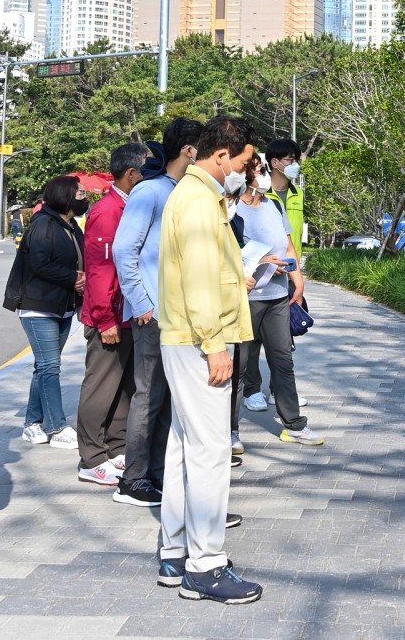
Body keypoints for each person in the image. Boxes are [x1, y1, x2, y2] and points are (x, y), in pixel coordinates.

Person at [155, 115, 262, 605]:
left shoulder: (195, 195)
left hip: (186, 337)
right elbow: (199, 279)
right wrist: (215, 343)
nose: (246, 171)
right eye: (244, 162)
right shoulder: (199, 200)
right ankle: (205, 566)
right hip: (200, 341)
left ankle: (176, 554)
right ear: (221, 156)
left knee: (185, 446)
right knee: (210, 453)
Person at [111, 118, 202, 508]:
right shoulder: (150, 191)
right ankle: (132, 480)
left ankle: (159, 472)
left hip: (178, 315)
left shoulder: (183, 192)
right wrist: (142, 303)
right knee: (148, 396)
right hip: (153, 315)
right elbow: (123, 251)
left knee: (168, 398)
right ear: (189, 150)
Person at [75, 143, 146, 486]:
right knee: (101, 387)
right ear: (131, 173)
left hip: (127, 313)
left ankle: (116, 447)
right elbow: (100, 270)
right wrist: (105, 319)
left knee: (123, 387)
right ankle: (91, 457)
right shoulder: (107, 211)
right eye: (145, 169)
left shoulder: (128, 207)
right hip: (109, 315)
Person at [236, 155, 318, 445]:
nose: (264, 175)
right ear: (245, 175)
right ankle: (229, 432)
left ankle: (294, 424)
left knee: (283, 360)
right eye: (258, 170)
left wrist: (298, 282)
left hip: (278, 296)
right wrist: (260, 261)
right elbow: (227, 253)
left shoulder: (274, 205)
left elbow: (288, 246)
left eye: (263, 170)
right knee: (239, 365)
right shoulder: (232, 210)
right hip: (247, 298)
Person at [16, 176, 87, 449]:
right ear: (65, 196)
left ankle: (32, 423)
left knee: (44, 366)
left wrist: (80, 280)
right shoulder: (43, 224)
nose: (84, 197)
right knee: (49, 366)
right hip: (39, 307)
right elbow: (39, 263)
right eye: (80, 193)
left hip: (62, 307)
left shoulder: (71, 226)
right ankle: (57, 427)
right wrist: (73, 278)